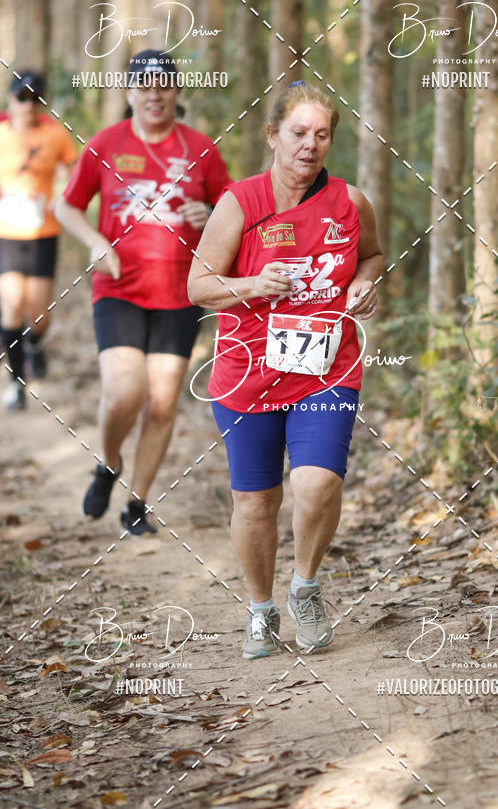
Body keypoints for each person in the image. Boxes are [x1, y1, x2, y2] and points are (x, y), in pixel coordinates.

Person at [188, 82, 383, 658]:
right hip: (248, 369)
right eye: (298, 133)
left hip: (327, 366)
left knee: (317, 481)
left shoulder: (351, 202)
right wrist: (251, 285)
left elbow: (371, 255)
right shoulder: (240, 202)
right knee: (256, 501)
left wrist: (366, 281)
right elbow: (198, 286)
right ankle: (260, 607)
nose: (310, 145)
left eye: (321, 135)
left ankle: (305, 587)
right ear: (273, 136)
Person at [55, 49, 231, 536]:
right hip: (119, 287)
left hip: (180, 292)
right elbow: (66, 206)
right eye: (144, 85)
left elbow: (234, 205)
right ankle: (108, 464)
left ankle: (136, 503)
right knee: (123, 393)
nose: (155, 95)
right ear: (130, 93)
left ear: (176, 94)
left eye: (164, 86)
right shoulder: (106, 144)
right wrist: (93, 240)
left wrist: (210, 211)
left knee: (161, 404)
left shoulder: (200, 147)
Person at [0, 71, 77, 409]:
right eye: (22, 97)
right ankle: (17, 383)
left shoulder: (55, 136)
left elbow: (76, 171)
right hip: (7, 233)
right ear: (10, 99)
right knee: (12, 306)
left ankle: (35, 344)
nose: (27, 106)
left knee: (39, 315)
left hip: (43, 233)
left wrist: (63, 187)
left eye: (35, 99)